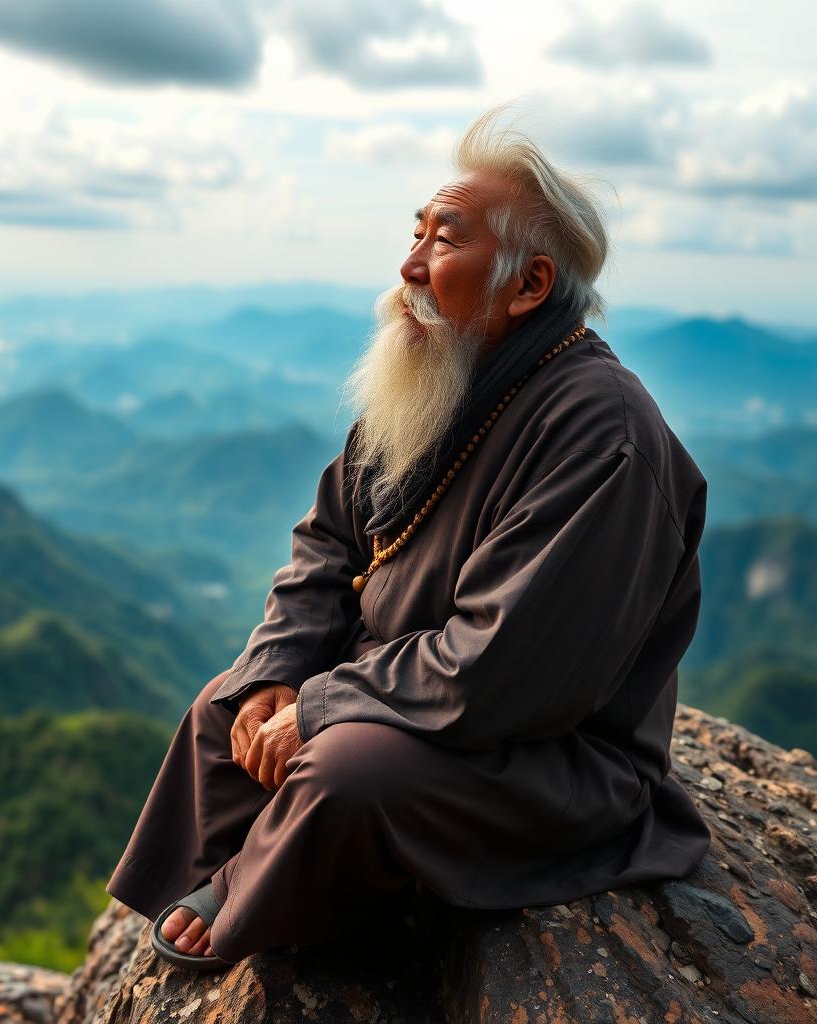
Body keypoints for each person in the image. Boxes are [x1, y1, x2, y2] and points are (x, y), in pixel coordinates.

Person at [105, 105, 712, 968]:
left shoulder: (601, 431)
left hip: (540, 748)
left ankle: (267, 896)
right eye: (416, 232)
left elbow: (506, 667)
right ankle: (255, 873)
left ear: (529, 285)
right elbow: (327, 546)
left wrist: (322, 704)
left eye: (444, 240)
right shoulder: (442, 375)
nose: (408, 265)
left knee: (348, 772)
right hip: (406, 693)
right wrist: (278, 676)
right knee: (225, 710)